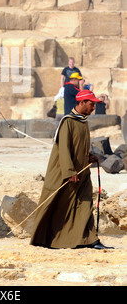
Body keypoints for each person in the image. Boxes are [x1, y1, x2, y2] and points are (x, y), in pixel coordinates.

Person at [30, 90, 113, 250]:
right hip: (66, 174)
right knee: (59, 206)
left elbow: (78, 146)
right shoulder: (67, 121)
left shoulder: (83, 121)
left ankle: (90, 240)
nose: (94, 107)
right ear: (81, 103)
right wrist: (69, 172)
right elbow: (64, 149)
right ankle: (51, 239)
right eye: (91, 104)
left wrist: (88, 156)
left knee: (86, 204)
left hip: (82, 173)